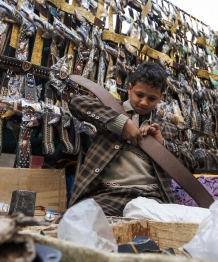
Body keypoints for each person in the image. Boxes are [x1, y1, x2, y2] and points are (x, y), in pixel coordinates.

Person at [68, 62, 196, 216]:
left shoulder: (166, 128)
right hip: (107, 195)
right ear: (129, 88)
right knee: (79, 222)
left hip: (151, 198)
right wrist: (120, 123)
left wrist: (162, 144)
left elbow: (189, 163)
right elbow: (76, 102)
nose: (144, 102)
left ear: (161, 98)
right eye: (139, 95)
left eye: (152, 98)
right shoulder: (111, 110)